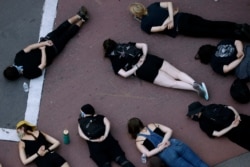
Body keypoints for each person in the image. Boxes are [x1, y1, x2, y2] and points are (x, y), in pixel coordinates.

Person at [103, 39, 209, 100]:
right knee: (178, 73)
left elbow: (124, 74)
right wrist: (144, 56)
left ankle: (195, 89)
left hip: (144, 71)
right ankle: (194, 83)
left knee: (173, 83)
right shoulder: (126, 44)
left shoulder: (114, 60)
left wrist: (136, 67)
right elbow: (144, 45)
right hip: (151, 59)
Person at [3, 6, 89, 80]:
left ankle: (82, 20)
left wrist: (43, 50)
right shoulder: (18, 58)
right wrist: (43, 44)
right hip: (46, 40)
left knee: (67, 36)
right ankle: (78, 15)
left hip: (53, 50)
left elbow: (43, 64)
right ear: (10, 66)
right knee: (60, 29)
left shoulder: (28, 74)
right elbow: (30, 47)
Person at [129, 2, 250, 40]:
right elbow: (169, 3)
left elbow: (161, 28)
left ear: (136, 14)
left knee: (210, 32)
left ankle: (238, 34)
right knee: (210, 23)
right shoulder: (154, 5)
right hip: (184, 16)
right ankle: (238, 26)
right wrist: (172, 15)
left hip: (180, 27)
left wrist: (169, 21)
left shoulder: (144, 25)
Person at [127, 117, 209, 167]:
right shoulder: (152, 125)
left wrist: (161, 147)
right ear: (140, 123)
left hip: (166, 155)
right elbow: (169, 130)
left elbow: (148, 154)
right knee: (199, 163)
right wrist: (164, 141)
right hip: (174, 143)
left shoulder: (138, 141)